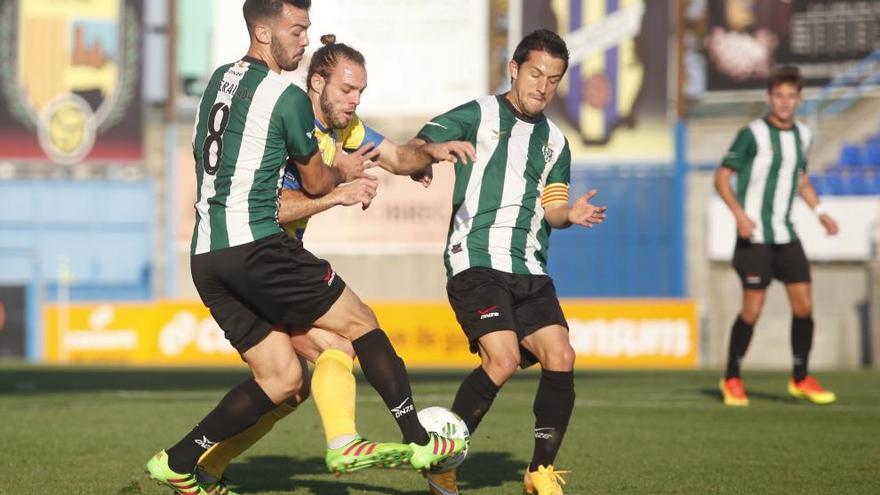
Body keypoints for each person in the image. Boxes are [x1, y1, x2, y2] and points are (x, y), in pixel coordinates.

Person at [144, 2, 465, 494]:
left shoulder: (220, 81)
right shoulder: (286, 102)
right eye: (297, 31)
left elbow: (396, 155)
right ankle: (413, 444)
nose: (304, 39)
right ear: (262, 31)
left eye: (309, 31)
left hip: (208, 255)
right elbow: (303, 189)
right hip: (257, 248)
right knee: (359, 324)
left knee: (284, 382)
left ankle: (183, 462)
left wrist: (429, 152)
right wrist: (341, 184)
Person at [412, 29, 607, 495]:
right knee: (499, 360)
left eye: (554, 79)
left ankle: (539, 471)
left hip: (530, 267)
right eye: (536, 73)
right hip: (475, 258)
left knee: (561, 356)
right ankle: (442, 460)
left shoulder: (556, 143)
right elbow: (423, 141)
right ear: (515, 69)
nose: (543, 86)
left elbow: (553, 207)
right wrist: (424, 155)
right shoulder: (478, 113)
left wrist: (568, 215)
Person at [715, 65, 840, 407]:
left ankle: (800, 378)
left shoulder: (803, 135)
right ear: (770, 98)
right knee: (752, 310)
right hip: (754, 238)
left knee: (805, 306)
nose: (785, 102)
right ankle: (732, 378)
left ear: (799, 99)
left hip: (787, 236)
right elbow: (722, 178)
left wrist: (821, 212)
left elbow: (800, 179)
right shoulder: (752, 134)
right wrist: (739, 216)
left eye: (791, 96)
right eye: (779, 96)